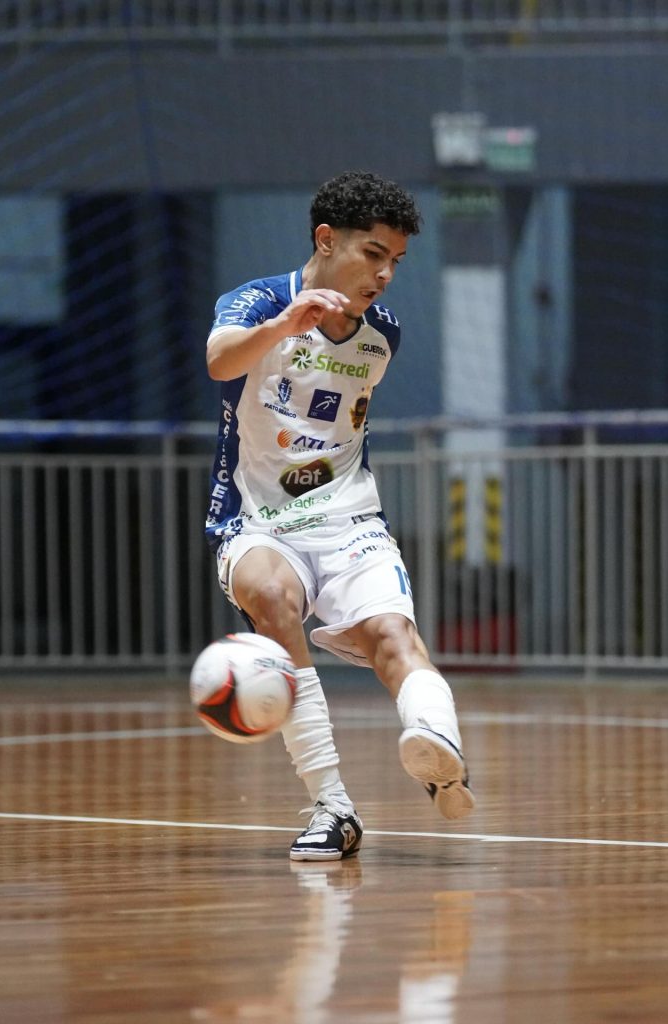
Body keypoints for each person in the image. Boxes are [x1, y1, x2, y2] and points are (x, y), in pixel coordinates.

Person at [204, 170, 474, 861]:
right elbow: (219, 362)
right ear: (326, 240)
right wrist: (282, 328)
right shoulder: (259, 301)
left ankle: (440, 750)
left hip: (350, 518)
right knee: (272, 596)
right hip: (258, 522)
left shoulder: (382, 334)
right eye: (372, 253)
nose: (385, 274)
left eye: (397, 261)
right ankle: (333, 807)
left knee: (392, 636)